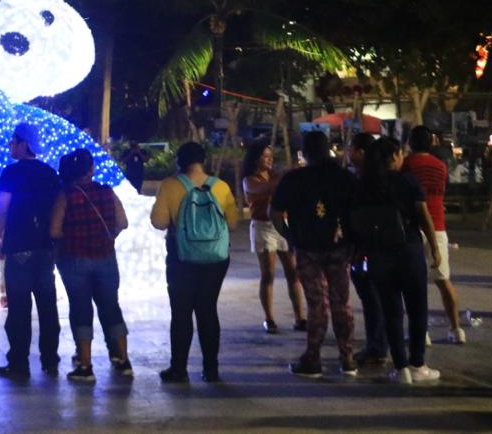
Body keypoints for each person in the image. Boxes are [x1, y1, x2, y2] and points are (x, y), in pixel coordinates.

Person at [351, 137, 441, 384]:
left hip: (379, 254)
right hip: (408, 250)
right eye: (401, 153)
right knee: (417, 308)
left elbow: (355, 222)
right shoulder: (407, 180)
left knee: (391, 311)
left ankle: (401, 369)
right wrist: (435, 247)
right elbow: (423, 216)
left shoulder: (363, 185)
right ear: (393, 156)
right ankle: (418, 365)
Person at [270, 131, 357, 378]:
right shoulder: (343, 177)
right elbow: (356, 209)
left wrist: (290, 236)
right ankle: (347, 358)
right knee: (342, 302)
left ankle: (313, 358)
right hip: (339, 247)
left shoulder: (294, 179)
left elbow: (275, 213)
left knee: (317, 304)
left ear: (304, 153)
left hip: (307, 248)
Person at [151, 142, 238, 383]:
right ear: (204, 160)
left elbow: (158, 222)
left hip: (182, 258)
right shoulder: (220, 186)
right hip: (215, 258)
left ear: (179, 161)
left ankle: (178, 368)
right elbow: (231, 224)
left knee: (181, 312)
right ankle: (211, 369)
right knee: (208, 310)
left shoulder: (170, 185)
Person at [51, 149, 131, 383]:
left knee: (81, 309)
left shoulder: (66, 195)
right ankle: (123, 360)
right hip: (105, 257)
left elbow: (54, 230)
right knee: (111, 307)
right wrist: (109, 236)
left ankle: (85, 365)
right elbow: (122, 222)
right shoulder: (107, 192)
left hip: (75, 258)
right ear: (91, 169)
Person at [0, 122, 62, 381]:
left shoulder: (11, 174)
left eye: (13, 140)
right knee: (47, 306)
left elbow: (3, 209)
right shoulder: (50, 174)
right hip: (44, 248)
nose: (10, 144)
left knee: (19, 309)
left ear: (24, 144)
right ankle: (50, 360)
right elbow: (58, 207)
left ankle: (19, 363)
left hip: (19, 247)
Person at [402, 125, 464, 345]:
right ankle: (456, 328)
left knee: (413, 285)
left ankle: (421, 332)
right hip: (438, 226)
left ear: (410, 142)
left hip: (413, 228)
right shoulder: (440, 166)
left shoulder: (407, 165)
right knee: (444, 280)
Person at [242, 139, 305, 334]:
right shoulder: (249, 180)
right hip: (262, 226)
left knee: (293, 272)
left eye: (270, 156)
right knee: (267, 274)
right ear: (255, 158)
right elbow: (266, 189)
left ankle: (300, 317)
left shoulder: (275, 175)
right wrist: (291, 174)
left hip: (282, 224)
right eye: (265, 156)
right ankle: (269, 318)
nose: (269, 159)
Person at [347, 132, 388, 365]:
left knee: (372, 297)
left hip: (367, 247)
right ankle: (379, 344)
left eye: (351, 149)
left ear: (362, 152)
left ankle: (377, 347)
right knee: (378, 297)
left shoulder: (365, 181)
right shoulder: (383, 176)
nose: (348, 153)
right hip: (383, 246)